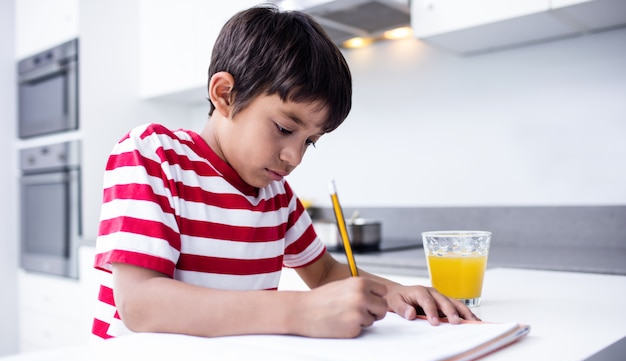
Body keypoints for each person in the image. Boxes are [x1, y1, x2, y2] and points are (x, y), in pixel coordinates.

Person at [92, 5, 478, 340]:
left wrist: (394, 293)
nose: (294, 157)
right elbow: (140, 304)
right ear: (225, 94)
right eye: (284, 129)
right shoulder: (153, 154)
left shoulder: (276, 196)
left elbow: (325, 273)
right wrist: (298, 312)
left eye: (310, 142)